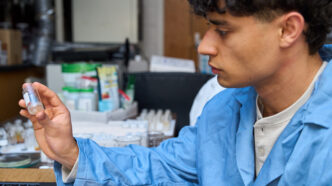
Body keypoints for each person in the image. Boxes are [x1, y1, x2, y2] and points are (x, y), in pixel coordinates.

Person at [18, 0, 332, 185]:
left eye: (223, 30)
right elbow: (158, 168)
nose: (205, 45)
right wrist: (70, 152)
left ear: (288, 30)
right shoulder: (223, 111)